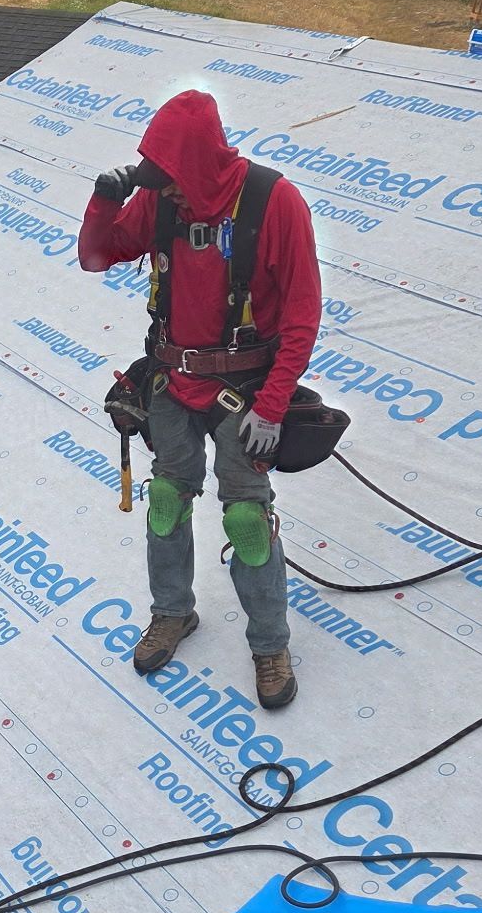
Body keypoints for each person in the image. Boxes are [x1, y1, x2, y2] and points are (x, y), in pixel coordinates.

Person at [78, 89, 322, 710]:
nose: (171, 194)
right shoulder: (161, 202)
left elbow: (301, 315)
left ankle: (270, 644)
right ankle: (173, 613)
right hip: (171, 382)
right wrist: (108, 197)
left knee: (246, 520)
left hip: (245, 392)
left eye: (176, 180)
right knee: (165, 500)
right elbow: (96, 256)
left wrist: (273, 404)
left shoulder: (273, 202)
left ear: (201, 167)